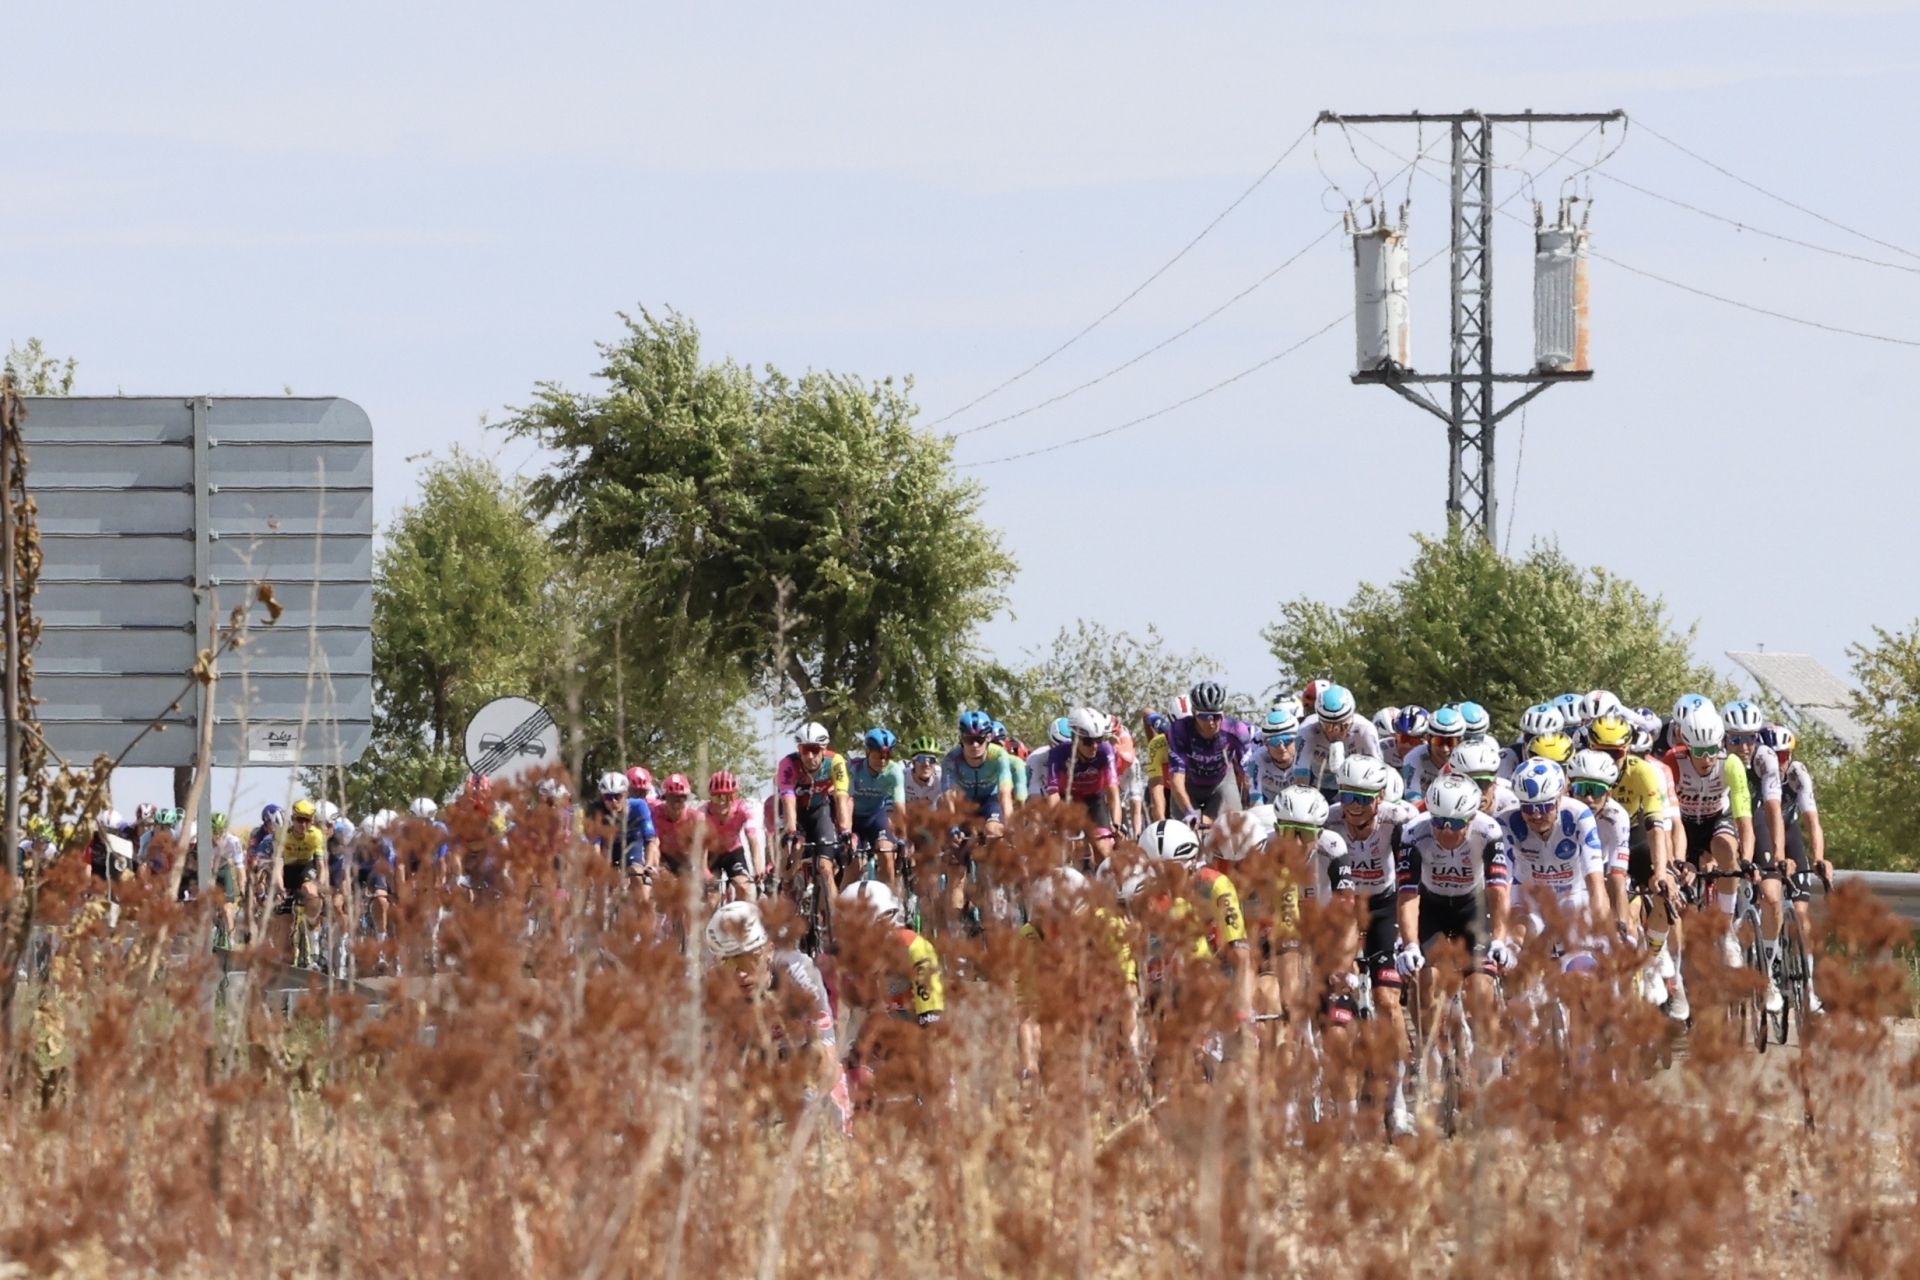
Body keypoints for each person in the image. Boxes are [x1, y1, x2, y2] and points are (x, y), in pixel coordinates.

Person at [1395, 772, 1513, 1114]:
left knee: (1481, 990)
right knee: (1422, 979)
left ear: (1471, 818)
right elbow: (1407, 895)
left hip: (1471, 908)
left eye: (1455, 823)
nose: (1446, 831)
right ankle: (1433, 1053)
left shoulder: (1489, 831)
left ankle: (1491, 1086)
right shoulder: (1414, 833)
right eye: (1440, 822)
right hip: (1431, 907)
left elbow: (1498, 892)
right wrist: (1410, 945)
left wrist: (1500, 940)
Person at [705, 901, 851, 1132]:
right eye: (729, 962)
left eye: (748, 959)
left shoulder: (797, 972)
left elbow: (828, 1068)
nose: (741, 973)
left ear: (769, 949)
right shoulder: (714, 986)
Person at [779, 722, 854, 930]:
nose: (809, 756)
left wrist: (845, 831)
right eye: (804, 750)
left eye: (814, 750)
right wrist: (792, 831)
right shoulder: (788, 764)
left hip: (820, 812)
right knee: (793, 847)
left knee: (825, 868)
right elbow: (788, 798)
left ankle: (836, 928)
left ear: (823, 749)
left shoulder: (835, 762)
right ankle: (787, 885)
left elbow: (841, 797)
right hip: (796, 814)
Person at [1164, 681, 1253, 827]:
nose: (1211, 722)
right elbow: (1177, 780)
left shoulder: (1236, 730)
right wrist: (1189, 813)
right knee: (1185, 830)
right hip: (1189, 784)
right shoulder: (1179, 730)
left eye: (1216, 716)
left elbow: (1247, 776)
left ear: (1223, 713)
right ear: (1194, 713)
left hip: (1222, 782)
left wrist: (1249, 805)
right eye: (1204, 716)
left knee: (1233, 829)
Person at [1045, 708, 1122, 865]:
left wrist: (1117, 824)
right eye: (1088, 742)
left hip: (1094, 799)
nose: (1094, 746)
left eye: (1099, 739)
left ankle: (1104, 884)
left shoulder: (1106, 750)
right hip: (1068, 801)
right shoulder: (1058, 754)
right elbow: (1053, 795)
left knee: (1104, 849)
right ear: (1074, 738)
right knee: (1069, 849)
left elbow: (1113, 792)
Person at [1291, 684, 1382, 798]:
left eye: (1343, 726)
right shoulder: (1307, 730)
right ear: (1319, 721)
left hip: (1353, 783)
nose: (1335, 732)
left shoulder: (1365, 730)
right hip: (1318, 780)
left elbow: (1378, 771)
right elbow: (1301, 774)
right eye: (1328, 726)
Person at [848, 728, 907, 891]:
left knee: (887, 855)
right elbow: (847, 801)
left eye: (888, 755)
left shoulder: (894, 772)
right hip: (854, 819)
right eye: (879, 754)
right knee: (854, 865)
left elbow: (899, 807)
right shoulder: (854, 769)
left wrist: (903, 838)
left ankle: (890, 903)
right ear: (868, 752)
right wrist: (845, 831)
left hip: (875, 817)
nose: (883, 759)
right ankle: (840, 911)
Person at [703, 771, 762, 901]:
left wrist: (758, 866)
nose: (721, 803)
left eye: (727, 797)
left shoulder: (744, 809)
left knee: (746, 889)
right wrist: (704, 872)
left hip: (733, 852)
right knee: (711, 899)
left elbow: (752, 838)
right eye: (717, 797)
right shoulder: (703, 812)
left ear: (735, 795)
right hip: (710, 854)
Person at [1400, 704, 1465, 802]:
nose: (1445, 749)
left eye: (1451, 742)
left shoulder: (1466, 760)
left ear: (1460, 741)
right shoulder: (1413, 757)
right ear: (1428, 739)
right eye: (1438, 741)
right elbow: (1413, 799)